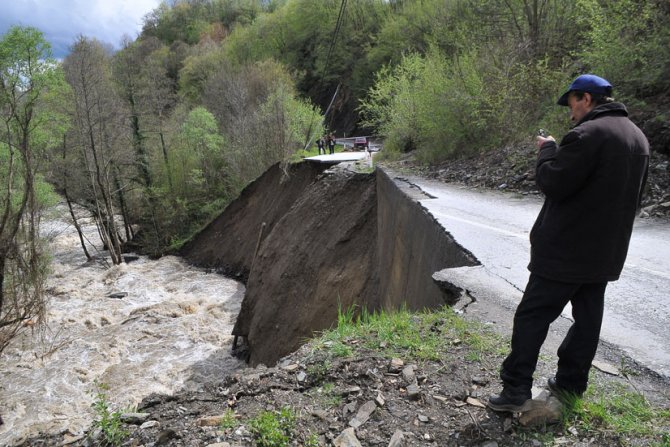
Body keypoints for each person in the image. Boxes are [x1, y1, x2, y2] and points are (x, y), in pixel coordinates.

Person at [488, 74, 650, 412]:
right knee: (588, 321)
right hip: (606, 253)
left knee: (533, 316)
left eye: (572, 103)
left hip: (565, 253)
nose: (570, 112)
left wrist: (548, 150)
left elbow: (553, 182)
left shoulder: (587, 135)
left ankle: (516, 390)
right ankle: (570, 385)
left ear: (586, 99)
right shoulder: (638, 138)